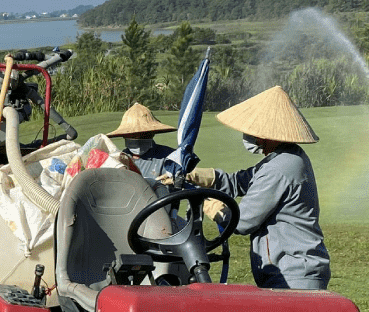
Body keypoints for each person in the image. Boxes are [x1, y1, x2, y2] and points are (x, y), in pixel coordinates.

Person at [186, 84, 330, 290]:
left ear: (265, 134)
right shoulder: (283, 158)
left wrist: (213, 208)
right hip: (293, 271)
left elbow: (242, 221)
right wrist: (204, 177)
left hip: (293, 275)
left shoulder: (280, 168)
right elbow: (240, 181)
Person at [109, 102, 176, 180]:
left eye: (143, 134)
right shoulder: (119, 160)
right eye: (133, 135)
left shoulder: (170, 157)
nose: (138, 138)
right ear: (124, 136)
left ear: (152, 133)